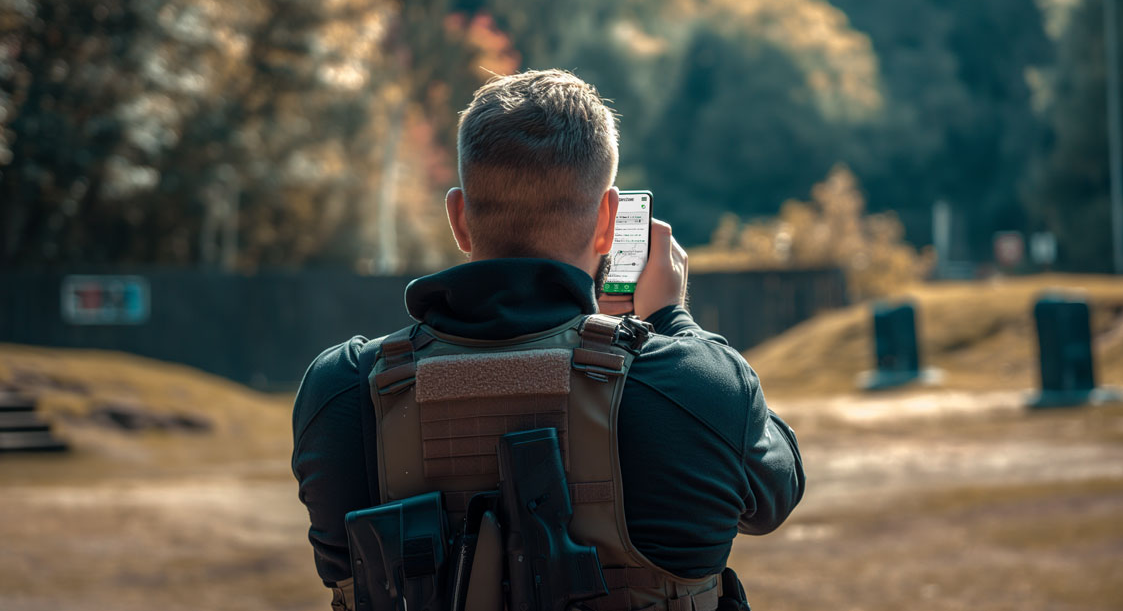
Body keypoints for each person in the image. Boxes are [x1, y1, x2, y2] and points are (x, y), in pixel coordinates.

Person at [292, 69, 805, 610]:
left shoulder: (340, 394)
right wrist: (673, 323)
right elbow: (775, 493)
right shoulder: (694, 387)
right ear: (608, 221)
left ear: (459, 219)